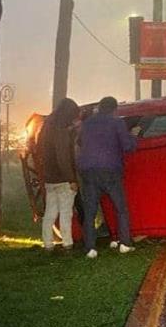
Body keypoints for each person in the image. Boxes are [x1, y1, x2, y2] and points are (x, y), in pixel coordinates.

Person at [78, 96, 137, 258]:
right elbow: (127, 146)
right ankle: (124, 243)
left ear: (99, 107)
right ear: (114, 109)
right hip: (110, 170)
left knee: (90, 211)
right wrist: (134, 136)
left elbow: (80, 142)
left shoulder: (87, 123)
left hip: (88, 171)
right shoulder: (117, 123)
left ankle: (90, 248)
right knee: (121, 208)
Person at [39, 98, 80, 251]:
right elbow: (63, 156)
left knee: (50, 213)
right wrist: (72, 179)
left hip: (50, 178)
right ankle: (67, 243)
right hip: (63, 179)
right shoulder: (61, 131)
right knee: (65, 212)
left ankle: (48, 243)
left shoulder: (47, 128)